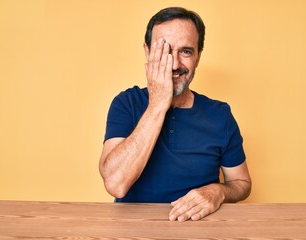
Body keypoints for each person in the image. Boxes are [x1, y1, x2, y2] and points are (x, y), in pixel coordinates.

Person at [99, 7, 251, 222]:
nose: (175, 64)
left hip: (199, 230)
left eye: (186, 51)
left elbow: (241, 184)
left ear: (198, 57)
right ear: (147, 52)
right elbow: (116, 184)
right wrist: (158, 104)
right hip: (132, 230)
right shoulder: (126, 103)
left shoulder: (220, 114)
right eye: (164, 51)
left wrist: (218, 191)